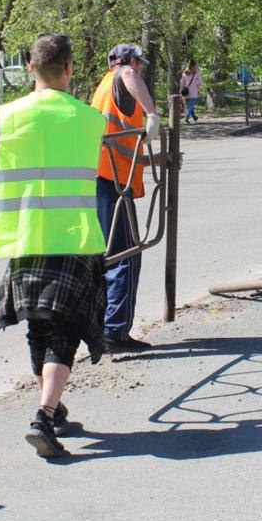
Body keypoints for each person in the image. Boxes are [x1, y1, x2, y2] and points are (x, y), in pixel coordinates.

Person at [0, 34, 107, 459]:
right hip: (72, 235)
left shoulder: (8, 117)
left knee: (38, 325)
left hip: (24, 235)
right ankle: (44, 415)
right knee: (65, 331)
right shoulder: (89, 119)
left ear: (30, 68)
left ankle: (51, 408)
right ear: (69, 68)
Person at [92, 44, 159, 353]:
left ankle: (105, 329)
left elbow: (124, 147)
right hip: (112, 184)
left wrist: (155, 161)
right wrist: (153, 114)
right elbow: (129, 73)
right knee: (125, 256)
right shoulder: (123, 76)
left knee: (114, 256)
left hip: (107, 179)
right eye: (138, 64)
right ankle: (114, 334)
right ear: (131, 61)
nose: (140, 69)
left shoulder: (104, 86)